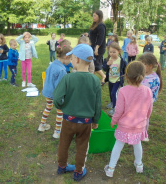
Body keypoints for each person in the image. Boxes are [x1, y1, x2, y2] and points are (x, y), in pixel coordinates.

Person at [53, 44, 101, 181]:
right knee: (82, 147)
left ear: (77, 60)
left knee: (63, 143)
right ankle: (78, 172)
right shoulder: (95, 80)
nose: (71, 60)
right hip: (86, 123)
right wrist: (96, 120)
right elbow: (98, 104)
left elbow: (57, 97)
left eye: (72, 57)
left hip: (68, 120)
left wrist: (61, 106)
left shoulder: (68, 78)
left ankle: (62, 166)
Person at [104, 61, 153, 178]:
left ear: (126, 76)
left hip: (124, 126)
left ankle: (110, 169)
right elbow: (149, 110)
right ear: (144, 75)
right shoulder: (148, 91)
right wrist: (145, 121)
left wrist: (113, 121)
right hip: (139, 125)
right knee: (137, 144)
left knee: (118, 145)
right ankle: (139, 165)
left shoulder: (123, 91)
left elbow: (119, 110)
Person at [39, 42, 72, 139]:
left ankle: (42, 125)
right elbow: (60, 87)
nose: (70, 61)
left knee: (48, 107)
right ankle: (57, 132)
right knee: (60, 111)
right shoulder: (62, 70)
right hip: (55, 94)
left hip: (47, 92)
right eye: (70, 59)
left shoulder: (52, 64)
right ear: (66, 57)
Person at [138, 53, 162, 141]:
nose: (140, 67)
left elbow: (153, 93)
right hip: (138, 101)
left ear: (150, 66)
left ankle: (144, 134)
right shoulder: (142, 74)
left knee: (145, 118)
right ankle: (137, 131)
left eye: (142, 64)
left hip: (147, 102)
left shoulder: (154, 78)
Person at [103, 42, 127, 116]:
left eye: (114, 52)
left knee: (114, 93)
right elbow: (104, 69)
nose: (112, 53)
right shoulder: (107, 59)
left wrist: (124, 75)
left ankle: (115, 109)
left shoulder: (121, 61)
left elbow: (126, 68)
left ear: (118, 51)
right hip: (110, 79)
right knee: (111, 92)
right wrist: (107, 65)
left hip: (118, 80)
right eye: (110, 52)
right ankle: (112, 102)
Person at [88, 10, 106, 85]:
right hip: (93, 47)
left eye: (95, 15)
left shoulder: (101, 25)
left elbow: (101, 38)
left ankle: (104, 76)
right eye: (93, 15)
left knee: (95, 64)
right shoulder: (95, 24)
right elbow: (93, 35)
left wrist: (97, 48)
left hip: (98, 48)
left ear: (99, 16)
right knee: (93, 64)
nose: (93, 17)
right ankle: (94, 80)